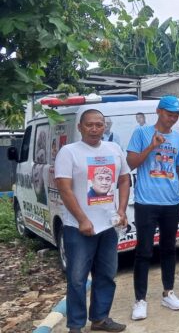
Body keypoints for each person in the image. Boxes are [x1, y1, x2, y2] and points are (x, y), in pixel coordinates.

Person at [55, 109, 130, 333]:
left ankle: (99, 319)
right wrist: (82, 219)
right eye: (90, 125)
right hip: (78, 228)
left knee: (107, 275)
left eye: (99, 124)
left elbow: (124, 179)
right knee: (77, 279)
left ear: (105, 127)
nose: (95, 129)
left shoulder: (114, 149)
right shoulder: (69, 152)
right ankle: (76, 326)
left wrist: (122, 210)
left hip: (108, 226)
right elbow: (64, 188)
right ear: (80, 127)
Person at [126, 96, 179, 320]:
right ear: (159, 111)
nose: (172, 118)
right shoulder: (141, 133)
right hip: (146, 202)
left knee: (169, 249)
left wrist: (178, 195)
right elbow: (131, 163)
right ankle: (140, 300)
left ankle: (168, 292)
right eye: (169, 113)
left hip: (171, 202)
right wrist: (152, 146)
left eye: (175, 115)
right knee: (143, 251)